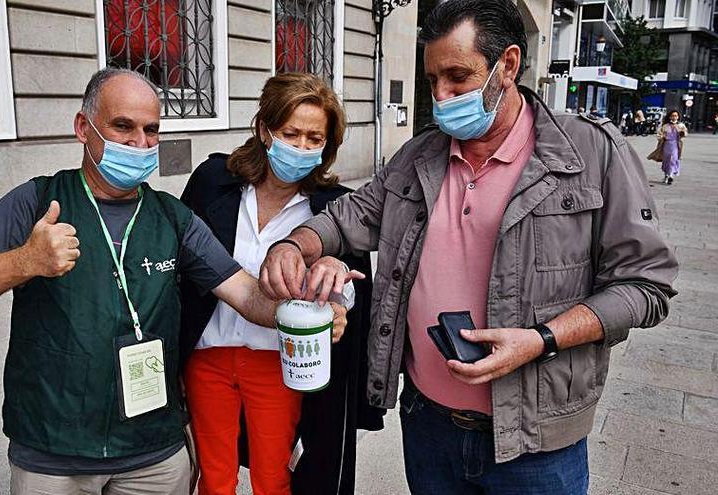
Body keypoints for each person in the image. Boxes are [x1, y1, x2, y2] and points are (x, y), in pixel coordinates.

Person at [258, 1, 678, 493]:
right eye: (432, 79)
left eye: (457, 76)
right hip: (428, 425)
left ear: (508, 66)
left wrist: (541, 339)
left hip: (535, 445)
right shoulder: (418, 156)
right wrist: (295, 243)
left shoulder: (590, 153)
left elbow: (646, 286)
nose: (440, 95)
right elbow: (349, 216)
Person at [0, 67, 350, 495]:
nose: (139, 143)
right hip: (55, 452)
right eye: (123, 127)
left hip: (152, 454)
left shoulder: (172, 217)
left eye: (151, 130)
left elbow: (245, 292)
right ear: (83, 127)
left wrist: (310, 315)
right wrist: (24, 261)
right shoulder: (39, 201)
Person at [178, 72, 383, 495]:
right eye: (291, 133)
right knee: (213, 477)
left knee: (273, 478)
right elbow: (181, 263)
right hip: (208, 357)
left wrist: (337, 295)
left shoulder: (333, 209)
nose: (302, 148)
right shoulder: (213, 182)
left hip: (277, 363)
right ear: (264, 129)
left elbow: (349, 285)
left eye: (315, 138)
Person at [657, 109, 687, 185]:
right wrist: (661, 137)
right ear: (670, 117)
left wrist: (682, 132)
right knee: (666, 160)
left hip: (675, 145)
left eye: (676, 116)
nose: (674, 117)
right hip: (666, 145)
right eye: (673, 115)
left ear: (678, 117)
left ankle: (671, 175)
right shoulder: (665, 126)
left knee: (673, 159)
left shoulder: (680, 125)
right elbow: (659, 134)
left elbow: (685, 134)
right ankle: (666, 175)